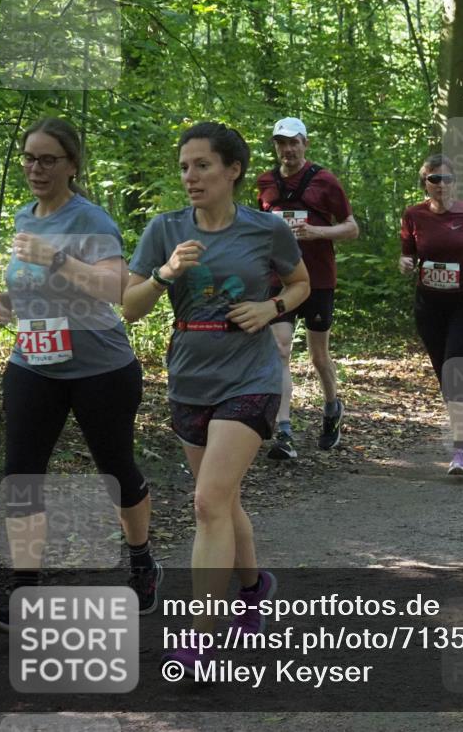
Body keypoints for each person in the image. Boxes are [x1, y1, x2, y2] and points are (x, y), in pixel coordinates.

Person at [124, 122, 310, 670]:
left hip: (249, 377)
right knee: (223, 501)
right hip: (189, 376)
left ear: (232, 170)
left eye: (202, 165)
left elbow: (301, 283)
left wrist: (271, 309)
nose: (190, 176)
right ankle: (254, 587)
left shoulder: (265, 229)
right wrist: (164, 273)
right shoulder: (165, 229)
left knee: (207, 503)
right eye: (184, 166)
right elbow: (129, 307)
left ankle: (202, 636)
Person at [0, 118, 159, 633]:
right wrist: (12, 302)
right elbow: (34, 283)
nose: (36, 168)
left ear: (72, 165)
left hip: (100, 367)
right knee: (21, 475)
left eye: (48, 159)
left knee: (116, 471)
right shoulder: (23, 215)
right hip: (33, 364)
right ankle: (22, 592)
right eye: (30, 158)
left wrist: (55, 257)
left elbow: (113, 290)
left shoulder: (92, 220)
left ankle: (141, 560)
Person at [256, 117, 359, 459]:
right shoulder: (266, 182)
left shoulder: (325, 181)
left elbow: (351, 228)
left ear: (305, 143)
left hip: (318, 279)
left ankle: (332, 407)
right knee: (280, 349)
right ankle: (283, 433)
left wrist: (317, 233)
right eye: (281, 143)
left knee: (318, 356)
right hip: (278, 280)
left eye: (294, 142)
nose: (288, 149)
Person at [399, 154, 463, 475]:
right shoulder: (413, 214)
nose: (441, 185)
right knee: (444, 374)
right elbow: (408, 253)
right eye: (434, 179)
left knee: (454, 366)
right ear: (424, 183)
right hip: (429, 305)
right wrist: (405, 263)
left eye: (447, 179)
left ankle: (459, 450)